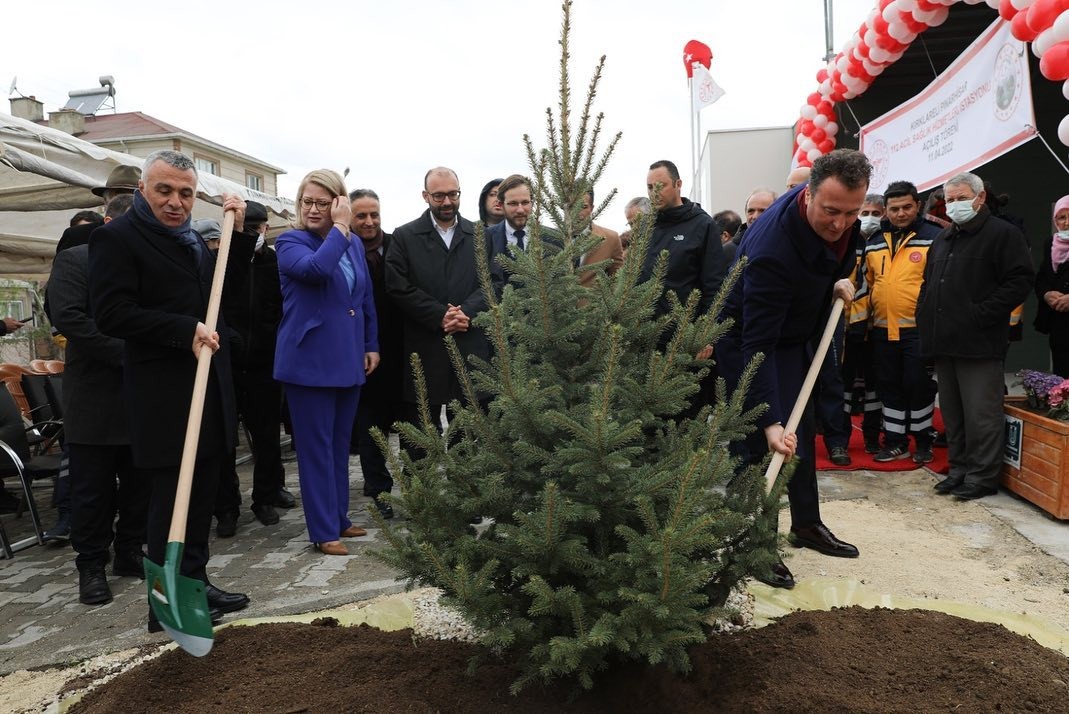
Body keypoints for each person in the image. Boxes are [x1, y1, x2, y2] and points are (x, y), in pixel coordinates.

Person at [89, 149, 254, 630]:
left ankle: (194, 585)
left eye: (185, 193)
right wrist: (183, 330)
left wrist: (236, 236)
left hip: (208, 384)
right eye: (164, 190)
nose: (176, 202)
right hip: (165, 394)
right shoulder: (116, 238)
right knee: (169, 504)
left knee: (201, 495)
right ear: (143, 189)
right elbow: (112, 313)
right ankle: (162, 608)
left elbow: (218, 295)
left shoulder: (188, 240)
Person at [717, 149, 871, 589]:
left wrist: (836, 282)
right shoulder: (772, 251)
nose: (840, 223)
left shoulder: (838, 211)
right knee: (764, 446)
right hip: (753, 342)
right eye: (830, 211)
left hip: (798, 331)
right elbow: (756, 345)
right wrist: (767, 418)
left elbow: (838, 250)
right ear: (807, 195)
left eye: (851, 212)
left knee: (801, 435)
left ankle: (806, 525)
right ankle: (756, 547)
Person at [48, 193, 148, 606]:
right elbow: (70, 317)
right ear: (109, 224)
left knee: (140, 481)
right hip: (93, 395)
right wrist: (127, 351)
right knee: (93, 489)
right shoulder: (75, 260)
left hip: (141, 394)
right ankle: (91, 564)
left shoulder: (145, 263)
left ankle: (129, 551)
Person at [274, 170, 379, 556]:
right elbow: (315, 270)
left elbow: (363, 298)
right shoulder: (290, 241)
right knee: (316, 448)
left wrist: (371, 344)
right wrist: (339, 227)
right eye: (307, 202)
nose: (313, 209)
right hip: (309, 362)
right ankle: (322, 530)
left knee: (338, 444)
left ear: (338, 201)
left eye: (323, 202)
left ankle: (339, 518)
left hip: (347, 358)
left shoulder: (349, 244)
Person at [917, 172, 1034, 501]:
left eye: (961, 197)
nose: (955, 205)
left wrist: (981, 314)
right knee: (953, 414)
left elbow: (1019, 281)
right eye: (950, 200)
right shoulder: (944, 238)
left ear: (980, 198)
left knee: (981, 415)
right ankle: (958, 470)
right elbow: (929, 284)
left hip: (980, 343)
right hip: (945, 341)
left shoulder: (1002, 234)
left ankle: (982, 477)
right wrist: (924, 316)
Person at [385, 166, 494, 453]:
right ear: (425, 196)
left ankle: (470, 494)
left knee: (470, 436)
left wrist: (466, 313)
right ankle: (423, 496)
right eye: (439, 196)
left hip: (470, 345)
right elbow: (397, 286)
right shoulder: (405, 236)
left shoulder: (480, 234)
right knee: (421, 436)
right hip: (425, 345)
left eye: (453, 194)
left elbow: (493, 280)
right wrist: (439, 315)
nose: (447, 202)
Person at [215, 201, 294, 530]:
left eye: (258, 228)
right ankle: (226, 507)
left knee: (266, 436)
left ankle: (265, 496)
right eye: (247, 229)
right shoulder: (221, 261)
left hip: (264, 361)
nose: (254, 234)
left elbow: (283, 307)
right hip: (228, 362)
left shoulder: (274, 262)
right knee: (224, 440)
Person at [856, 180, 941, 465]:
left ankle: (923, 441)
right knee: (888, 386)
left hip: (918, 331)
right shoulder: (875, 241)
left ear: (917, 206)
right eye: (894, 209)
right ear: (885, 211)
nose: (900, 213)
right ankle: (895, 442)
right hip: (881, 330)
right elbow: (867, 284)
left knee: (918, 385)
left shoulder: (934, 237)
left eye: (906, 207)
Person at [348, 188, 402, 519]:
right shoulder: (343, 250)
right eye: (361, 216)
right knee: (370, 428)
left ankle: (417, 490)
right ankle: (379, 491)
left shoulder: (399, 246)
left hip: (401, 349)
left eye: (374, 215)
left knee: (411, 424)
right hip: (361, 353)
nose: (369, 222)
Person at [844, 193, 885, 454]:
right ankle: (839, 441)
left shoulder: (886, 242)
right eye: (865, 213)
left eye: (875, 213)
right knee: (843, 387)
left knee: (875, 388)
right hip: (848, 327)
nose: (869, 219)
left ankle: (871, 437)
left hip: (878, 328)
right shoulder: (848, 241)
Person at [1034, 195, 1069, 377]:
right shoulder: (1051, 244)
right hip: (1059, 325)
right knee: (1062, 380)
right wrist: (1047, 294)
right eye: (1061, 218)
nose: (1066, 223)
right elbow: (1042, 278)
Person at [577, 188, 624, 286]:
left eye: (584, 206)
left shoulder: (610, 239)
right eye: (573, 206)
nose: (578, 212)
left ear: (592, 208)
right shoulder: (550, 237)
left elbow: (618, 281)